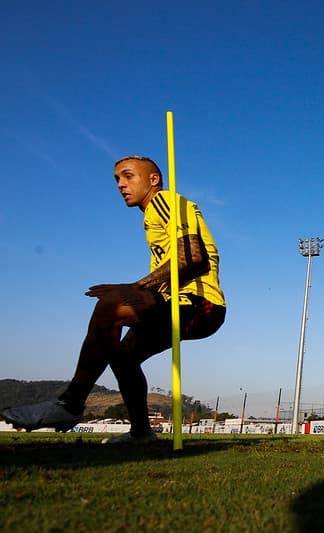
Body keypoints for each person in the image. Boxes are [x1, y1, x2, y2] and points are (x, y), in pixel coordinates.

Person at [2, 156, 226, 444]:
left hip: (199, 303)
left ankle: (71, 404)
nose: (121, 184)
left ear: (153, 180)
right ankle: (141, 433)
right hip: (180, 303)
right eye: (117, 179)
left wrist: (135, 287)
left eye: (128, 176)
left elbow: (193, 258)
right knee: (122, 357)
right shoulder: (152, 215)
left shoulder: (165, 201)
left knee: (109, 308)